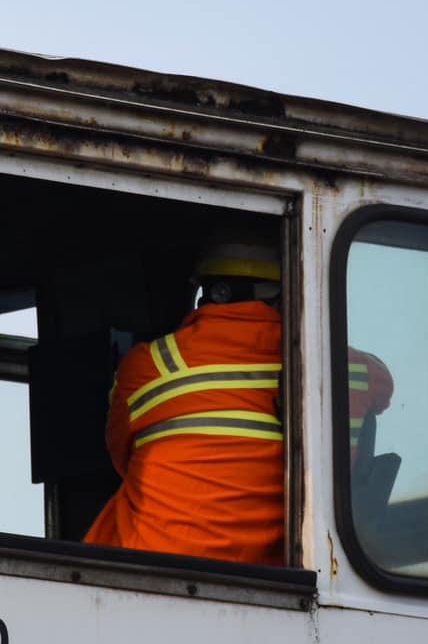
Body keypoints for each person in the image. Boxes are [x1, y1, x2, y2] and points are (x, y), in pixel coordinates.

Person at [83, 232, 286, 564]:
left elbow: (122, 458)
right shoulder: (340, 369)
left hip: (140, 568)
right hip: (270, 574)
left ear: (206, 291)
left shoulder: (149, 365)